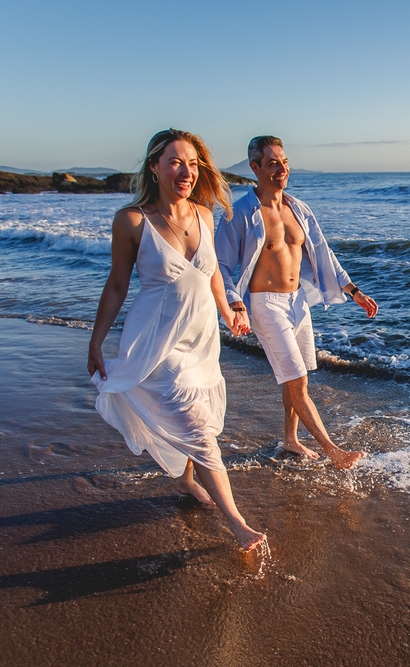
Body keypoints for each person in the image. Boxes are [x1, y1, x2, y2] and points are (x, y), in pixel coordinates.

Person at [88, 128, 266, 550]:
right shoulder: (132, 221)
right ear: (154, 167)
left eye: (192, 163)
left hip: (201, 341)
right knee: (200, 431)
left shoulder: (205, 214)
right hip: (157, 344)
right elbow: (116, 284)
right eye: (174, 161)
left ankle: (186, 479)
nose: (185, 171)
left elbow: (213, 275)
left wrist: (229, 312)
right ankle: (239, 525)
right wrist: (95, 342)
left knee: (197, 415)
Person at [215, 135, 378, 470]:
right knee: (298, 381)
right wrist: (235, 304)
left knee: (297, 375)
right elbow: (219, 264)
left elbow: (323, 252)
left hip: (297, 301)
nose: (281, 168)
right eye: (273, 162)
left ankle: (291, 439)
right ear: (255, 167)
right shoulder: (241, 213)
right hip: (264, 303)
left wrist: (353, 290)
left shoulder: (297, 208)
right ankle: (335, 452)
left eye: (284, 161)